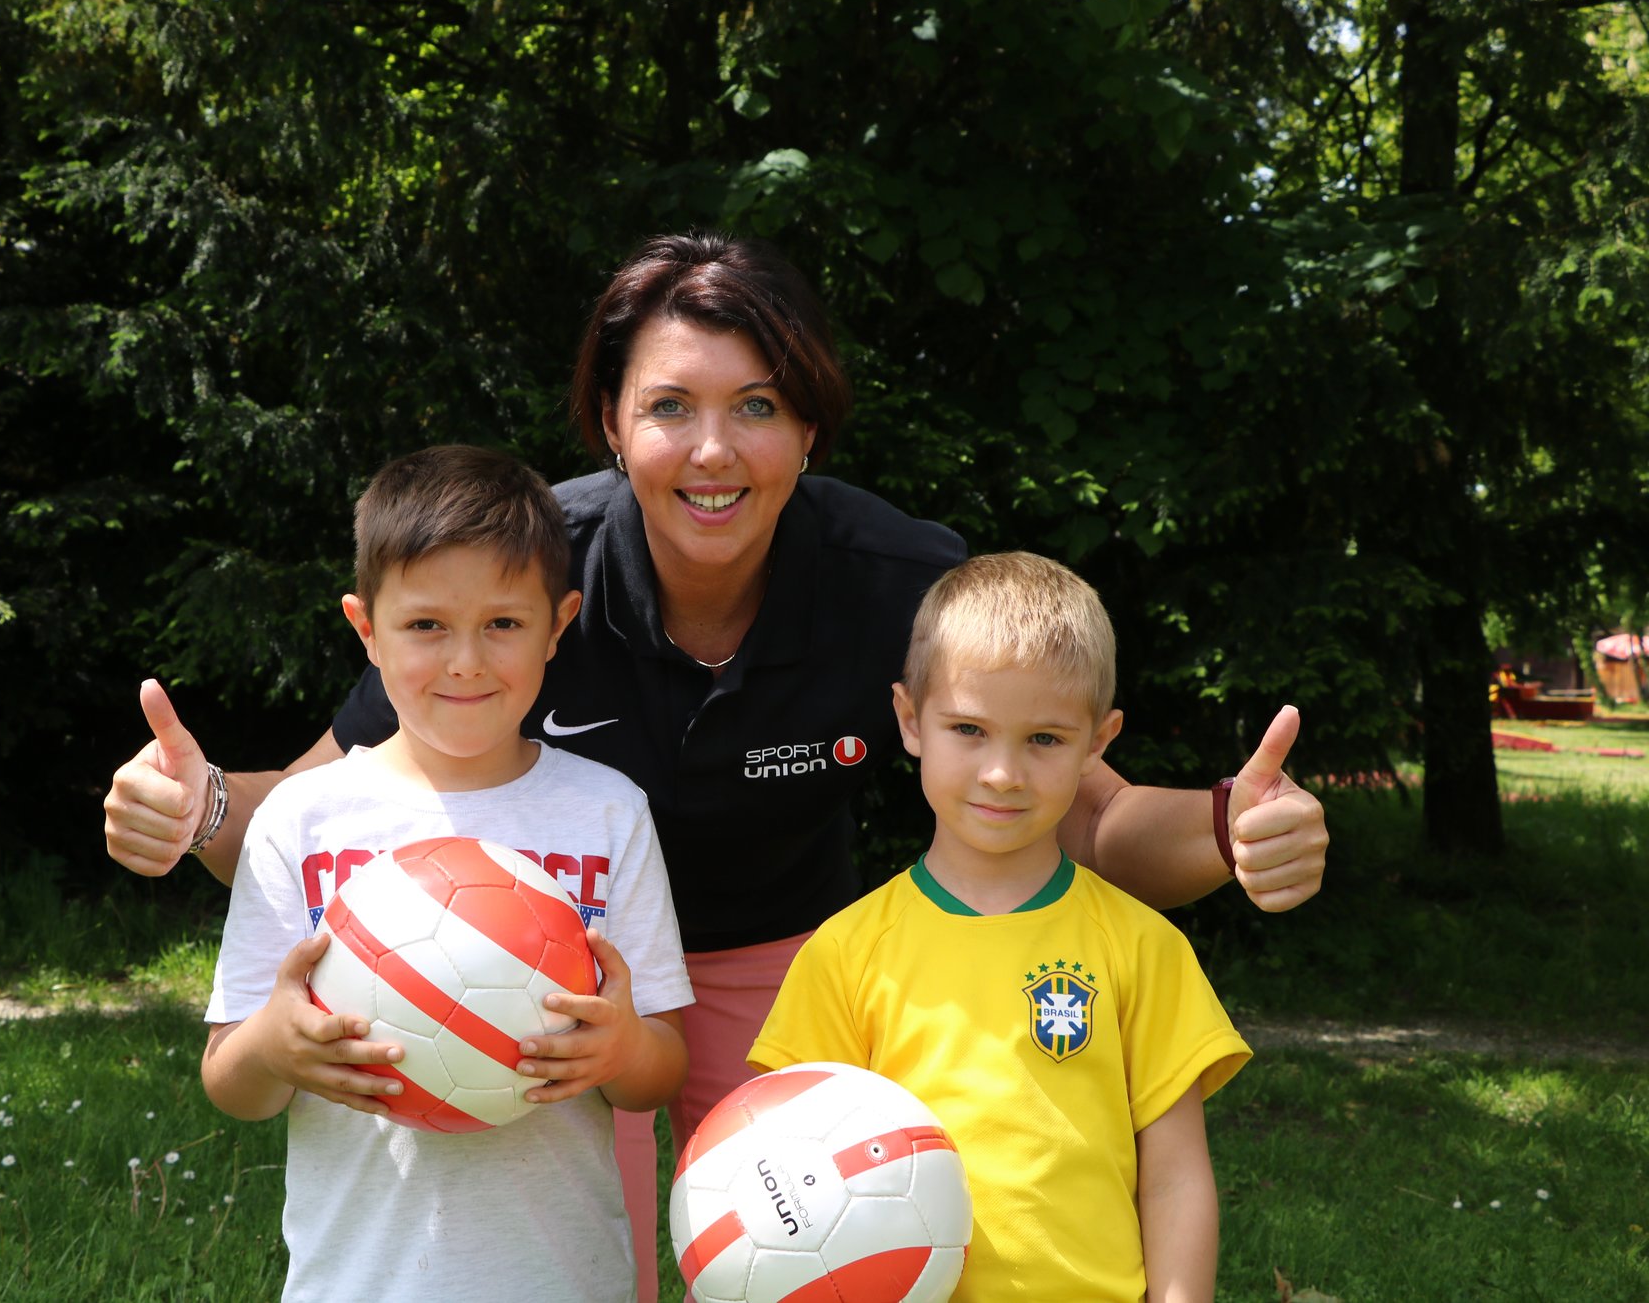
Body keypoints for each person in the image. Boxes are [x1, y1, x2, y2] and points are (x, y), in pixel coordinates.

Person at [108, 234, 1327, 1300]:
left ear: (807, 427)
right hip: (538, 967)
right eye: (668, 407)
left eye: (756, 406)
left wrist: (1227, 826)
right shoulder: (513, 578)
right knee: (591, 1258)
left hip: (799, 969)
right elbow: (330, 791)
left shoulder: (890, 579)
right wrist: (199, 801)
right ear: (610, 422)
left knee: (810, 1265)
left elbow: (1091, 821)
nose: (712, 449)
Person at [200, 445, 692, 1303]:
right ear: (366, 630)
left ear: (558, 624)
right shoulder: (305, 819)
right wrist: (275, 1045)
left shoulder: (607, 813)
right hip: (360, 1282)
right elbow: (231, 1083)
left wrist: (621, 1046)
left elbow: (660, 1065)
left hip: (562, 1279)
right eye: (427, 625)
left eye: (503, 623)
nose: (465, 660)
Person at [748, 552, 1251, 1302]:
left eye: (1044, 738)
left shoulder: (1143, 947)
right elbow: (790, 1165)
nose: (1002, 772)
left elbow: (1176, 1175)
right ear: (911, 720)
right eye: (970, 729)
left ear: (1098, 742)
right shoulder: (848, 952)